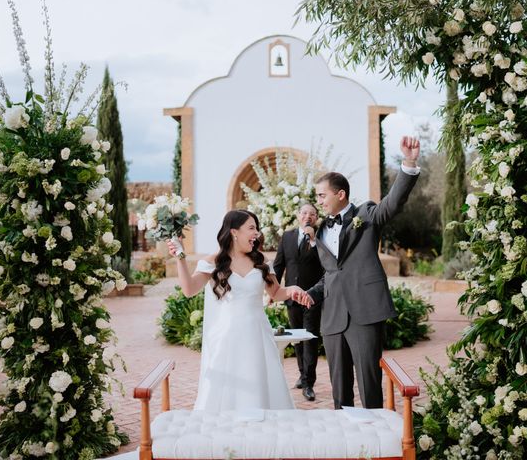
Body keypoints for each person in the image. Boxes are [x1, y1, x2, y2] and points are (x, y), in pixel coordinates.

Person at [301, 135, 420, 409]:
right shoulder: (320, 231)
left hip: (365, 313)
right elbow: (332, 273)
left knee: (369, 383)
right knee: (338, 389)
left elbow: (393, 203)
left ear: (340, 194)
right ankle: (347, 443)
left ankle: (375, 442)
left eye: (322, 195)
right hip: (332, 318)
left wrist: (409, 163)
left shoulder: (366, 215)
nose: (318, 201)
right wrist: (311, 295)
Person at [167, 209, 312, 412]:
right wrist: (180, 257)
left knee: (259, 383)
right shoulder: (214, 262)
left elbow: (277, 292)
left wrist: (293, 290)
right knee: (227, 388)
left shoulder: (260, 262)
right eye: (251, 228)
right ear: (234, 232)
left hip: (258, 335)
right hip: (227, 338)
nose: (257, 233)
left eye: (257, 229)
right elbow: (189, 289)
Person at [273, 202, 324, 401]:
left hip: (312, 297)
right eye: (304, 213)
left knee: (310, 338)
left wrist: (313, 242)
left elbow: (325, 264)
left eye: (312, 214)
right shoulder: (287, 236)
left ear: (316, 217)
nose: (307, 217)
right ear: (298, 215)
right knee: (296, 338)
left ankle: (309, 382)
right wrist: (273, 290)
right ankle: (303, 375)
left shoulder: (321, 238)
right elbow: (279, 265)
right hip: (291, 297)